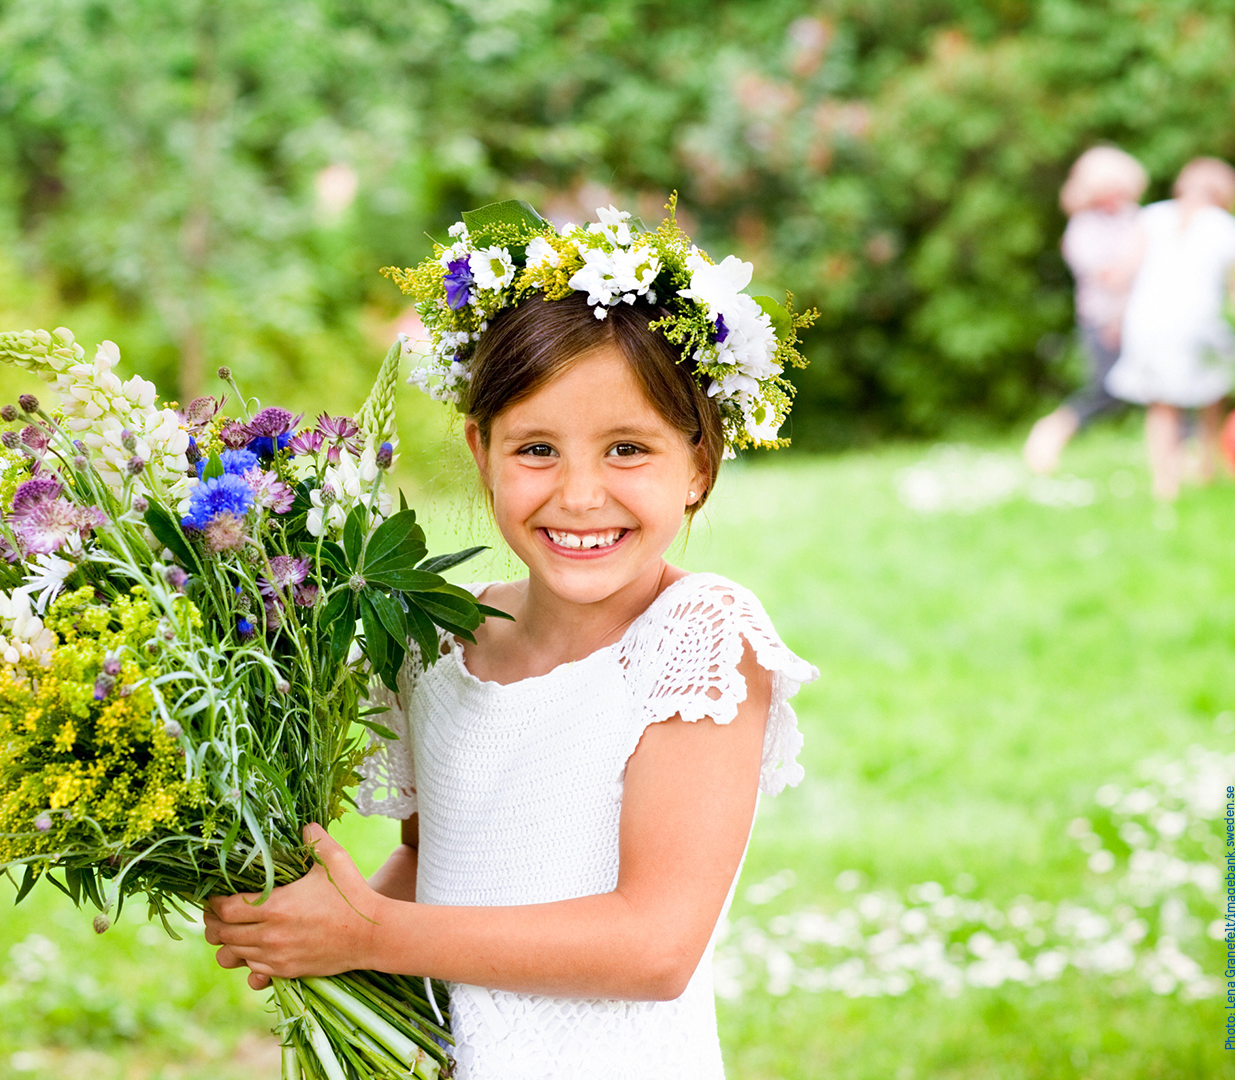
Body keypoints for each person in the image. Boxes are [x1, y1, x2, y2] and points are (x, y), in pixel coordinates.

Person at [204, 206, 817, 1079]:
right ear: (479, 449)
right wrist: (314, 927)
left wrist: (370, 931)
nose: (578, 495)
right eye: (536, 448)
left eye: (627, 450)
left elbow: (653, 945)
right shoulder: (436, 641)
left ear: (698, 468)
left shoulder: (700, 640)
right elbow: (431, 859)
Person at [1107, 157, 1235, 500]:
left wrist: (1114, 315)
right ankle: (1205, 468)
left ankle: (1164, 483)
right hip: (1199, 321)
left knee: (1161, 404)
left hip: (1148, 320)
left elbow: (1124, 271)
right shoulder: (1227, 227)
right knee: (1212, 394)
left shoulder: (1152, 216)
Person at [1024, 146, 1149, 473]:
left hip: (1141, 318)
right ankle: (1052, 432)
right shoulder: (1083, 228)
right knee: (1106, 392)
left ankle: (1184, 458)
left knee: (1163, 386)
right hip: (1103, 320)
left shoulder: (1133, 217)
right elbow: (1111, 277)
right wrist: (1136, 258)